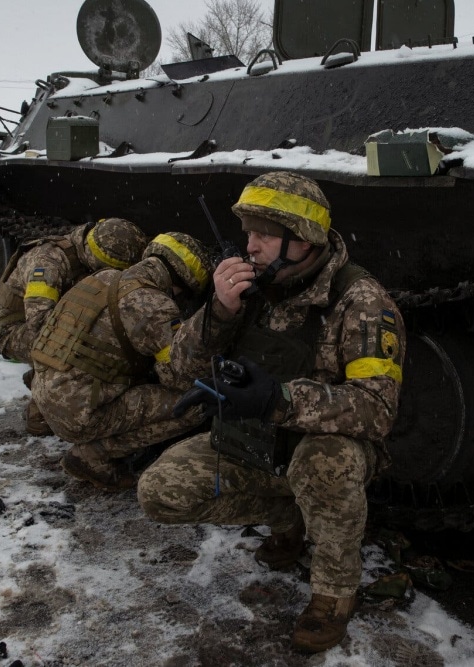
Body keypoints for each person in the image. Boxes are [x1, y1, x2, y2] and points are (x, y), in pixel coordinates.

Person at [137, 172, 406, 653]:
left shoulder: (361, 302)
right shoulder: (254, 287)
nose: (250, 246)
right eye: (248, 233)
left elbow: (378, 408)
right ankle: (292, 518)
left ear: (302, 240)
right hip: (256, 442)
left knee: (325, 462)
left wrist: (278, 399)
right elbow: (179, 370)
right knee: (160, 492)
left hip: (320, 449)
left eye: (263, 234)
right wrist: (219, 312)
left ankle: (334, 592)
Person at [30, 232, 215, 490]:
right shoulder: (154, 306)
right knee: (193, 405)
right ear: (180, 284)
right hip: (77, 416)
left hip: (44, 395)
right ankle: (93, 455)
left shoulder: (103, 277)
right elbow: (178, 379)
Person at [0, 218, 148, 434]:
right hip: (15, 328)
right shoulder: (47, 263)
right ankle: (41, 408)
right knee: (85, 347)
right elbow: (40, 325)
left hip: (53, 320)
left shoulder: (84, 247)